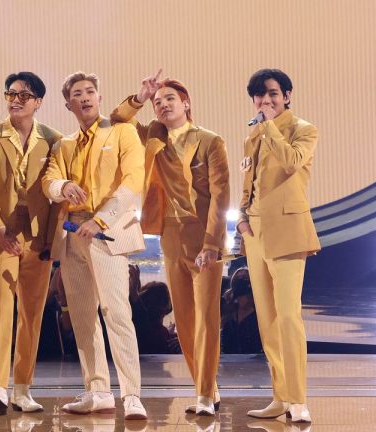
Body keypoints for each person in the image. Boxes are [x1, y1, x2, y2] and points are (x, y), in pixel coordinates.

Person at [110, 70, 229, 416]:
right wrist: (140, 97)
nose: (163, 106)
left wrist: (212, 243)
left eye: (170, 99)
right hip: (171, 235)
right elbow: (118, 120)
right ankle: (205, 388)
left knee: (206, 317)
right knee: (186, 319)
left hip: (203, 235)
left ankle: (204, 395)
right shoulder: (153, 136)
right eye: (158, 102)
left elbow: (221, 197)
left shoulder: (210, 141)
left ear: (186, 103)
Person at [42, 71, 147, 420]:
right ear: (68, 104)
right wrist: (62, 187)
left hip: (106, 232)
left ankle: (132, 394)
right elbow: (48, 179)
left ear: (100, 98)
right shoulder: (64, 144)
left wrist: (100, 219)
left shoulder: (122, 131)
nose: (85, 97)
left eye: (90, 91)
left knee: (116, 313)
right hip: (72, 234)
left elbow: (133, 180)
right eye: (77, 93)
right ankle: (98, 391)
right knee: (82, 316)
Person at [0, 72, 62, 414]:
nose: (15, 100)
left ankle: (23, 388)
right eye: (11, 94)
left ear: (38, 102)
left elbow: (56, 198)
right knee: (0, 308)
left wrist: (52, 241)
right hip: (2, 235)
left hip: (38, 238)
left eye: (24, 95)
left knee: (32, 313)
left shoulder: (53, 140)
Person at [238, 68, 320, 424]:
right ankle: (280, 396)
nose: (265, 100)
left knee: (288, 317)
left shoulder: (303, 129)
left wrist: (269, 126)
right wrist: (242, 217)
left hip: (287, 229)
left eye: (272, 93)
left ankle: (298, 399)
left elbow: (290, 163)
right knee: (268, 321)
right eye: (259, 95)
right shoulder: (253, 135)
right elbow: (249, 179)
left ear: (287, 95)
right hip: (255, 232)